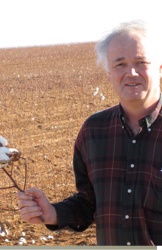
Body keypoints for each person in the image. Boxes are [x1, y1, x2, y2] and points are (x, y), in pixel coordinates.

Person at [17, 20, 162, 246]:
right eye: (120, 64)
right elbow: (89, 203)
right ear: (109, 74)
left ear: (159, 68)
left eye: (141, 62)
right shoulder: (94, 132)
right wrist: (52, 213)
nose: (131, 73)